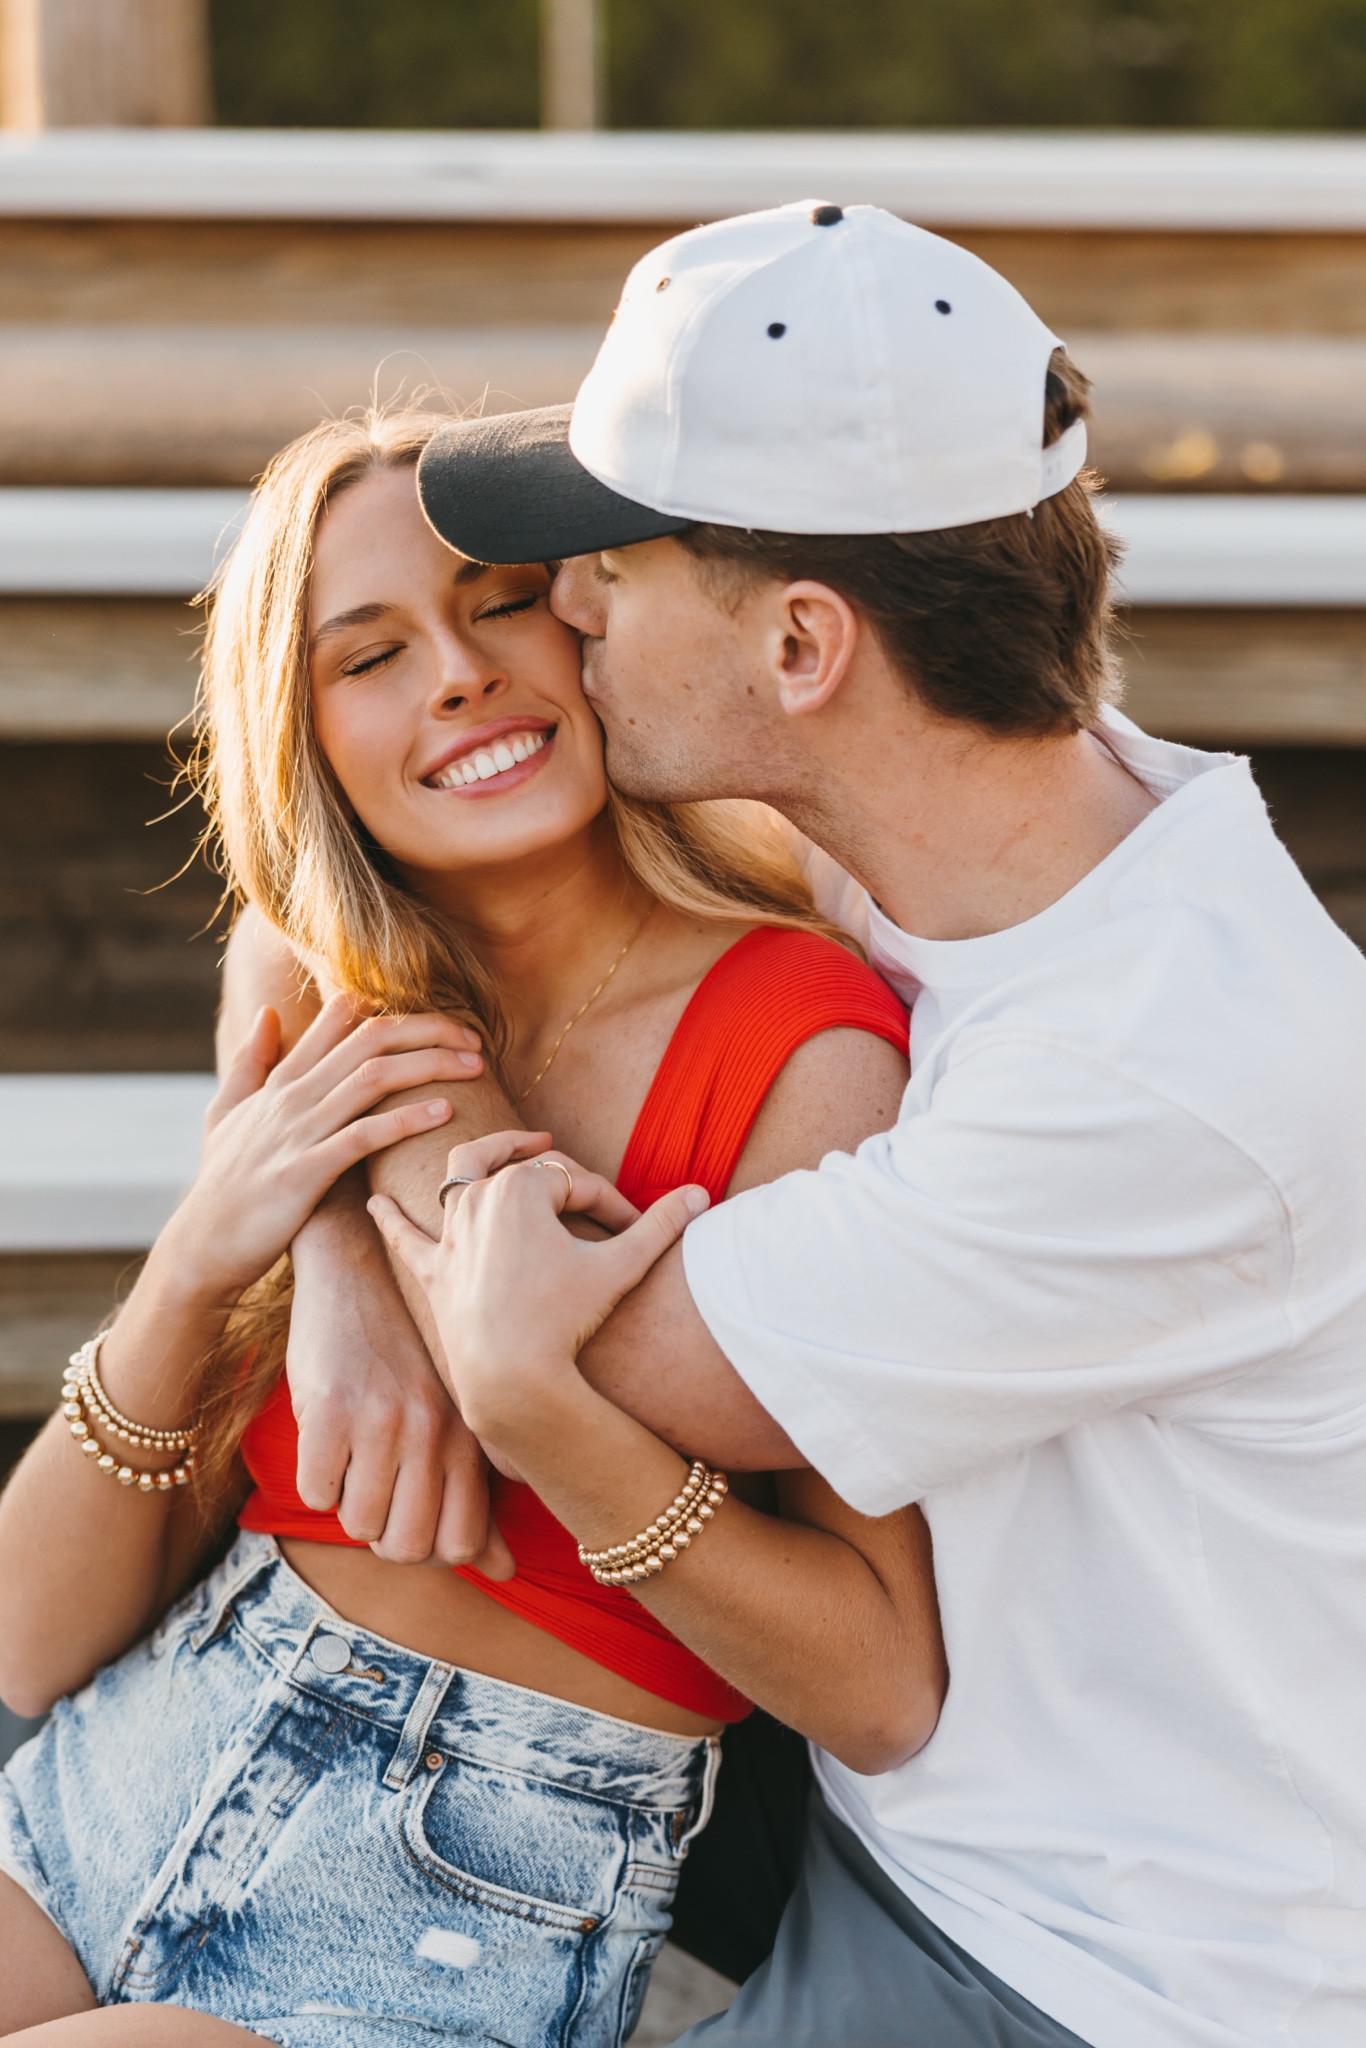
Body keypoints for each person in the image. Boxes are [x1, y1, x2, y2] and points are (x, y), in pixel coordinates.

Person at [248, 203, 1366, 2048]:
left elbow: (598, 1352)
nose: (566, 611)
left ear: (798, 648)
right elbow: (299, 890)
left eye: (615, 560)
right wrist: (333, 1253)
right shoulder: (969, 813)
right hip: (858, 1796)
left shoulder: (1153, 1079)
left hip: (1096, 1955)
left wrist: (388, 1185)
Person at [0, 405, 948, 2046]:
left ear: (590, 624)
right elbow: (28, 1642)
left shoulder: (799, 1040)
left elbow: (879, 1686)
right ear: (298, 740)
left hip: (453, 1906)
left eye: (499, 601)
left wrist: (541, 1408)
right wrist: (238, 1240)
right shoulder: (350, 1023)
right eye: (367, 656)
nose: (458, 673)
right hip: (117, 1782)